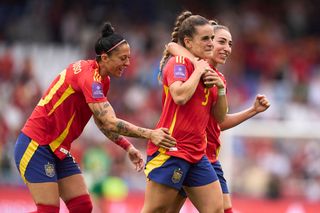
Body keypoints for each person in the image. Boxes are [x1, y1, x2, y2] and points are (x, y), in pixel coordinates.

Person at [13, 22, 176, 213]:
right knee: (48, 210)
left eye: (129, 58)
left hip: (57, 148)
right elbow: (109, 121)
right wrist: (151, 134)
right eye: (123, 58)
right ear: (105, 57)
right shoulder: (89, 77)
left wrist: (127, 146)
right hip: (37, 145)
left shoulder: (102, 80)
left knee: (82, 206)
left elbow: (101, 122)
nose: (128, 63)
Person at [166, 22, 271, 213]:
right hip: (189, 154)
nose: (227, 49)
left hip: (207, 156)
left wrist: (252, 110)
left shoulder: (219, 79)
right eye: (221, 41)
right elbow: (172, 46)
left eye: (230, 44)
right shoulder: (189, 67)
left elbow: (218, 122)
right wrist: (199, 66)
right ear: (208, 42)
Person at [142, 11, 227, 213]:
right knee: (157, 210)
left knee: (216, 209)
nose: (211, 43)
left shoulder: (214, 75)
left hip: (197, 154)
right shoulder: (179, 62)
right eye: (205, 38)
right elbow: (179, 96)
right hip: (172, 148)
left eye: (212, 39)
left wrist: (221, 90)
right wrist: (198, 71)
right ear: (188, 42)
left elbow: (220, 118)